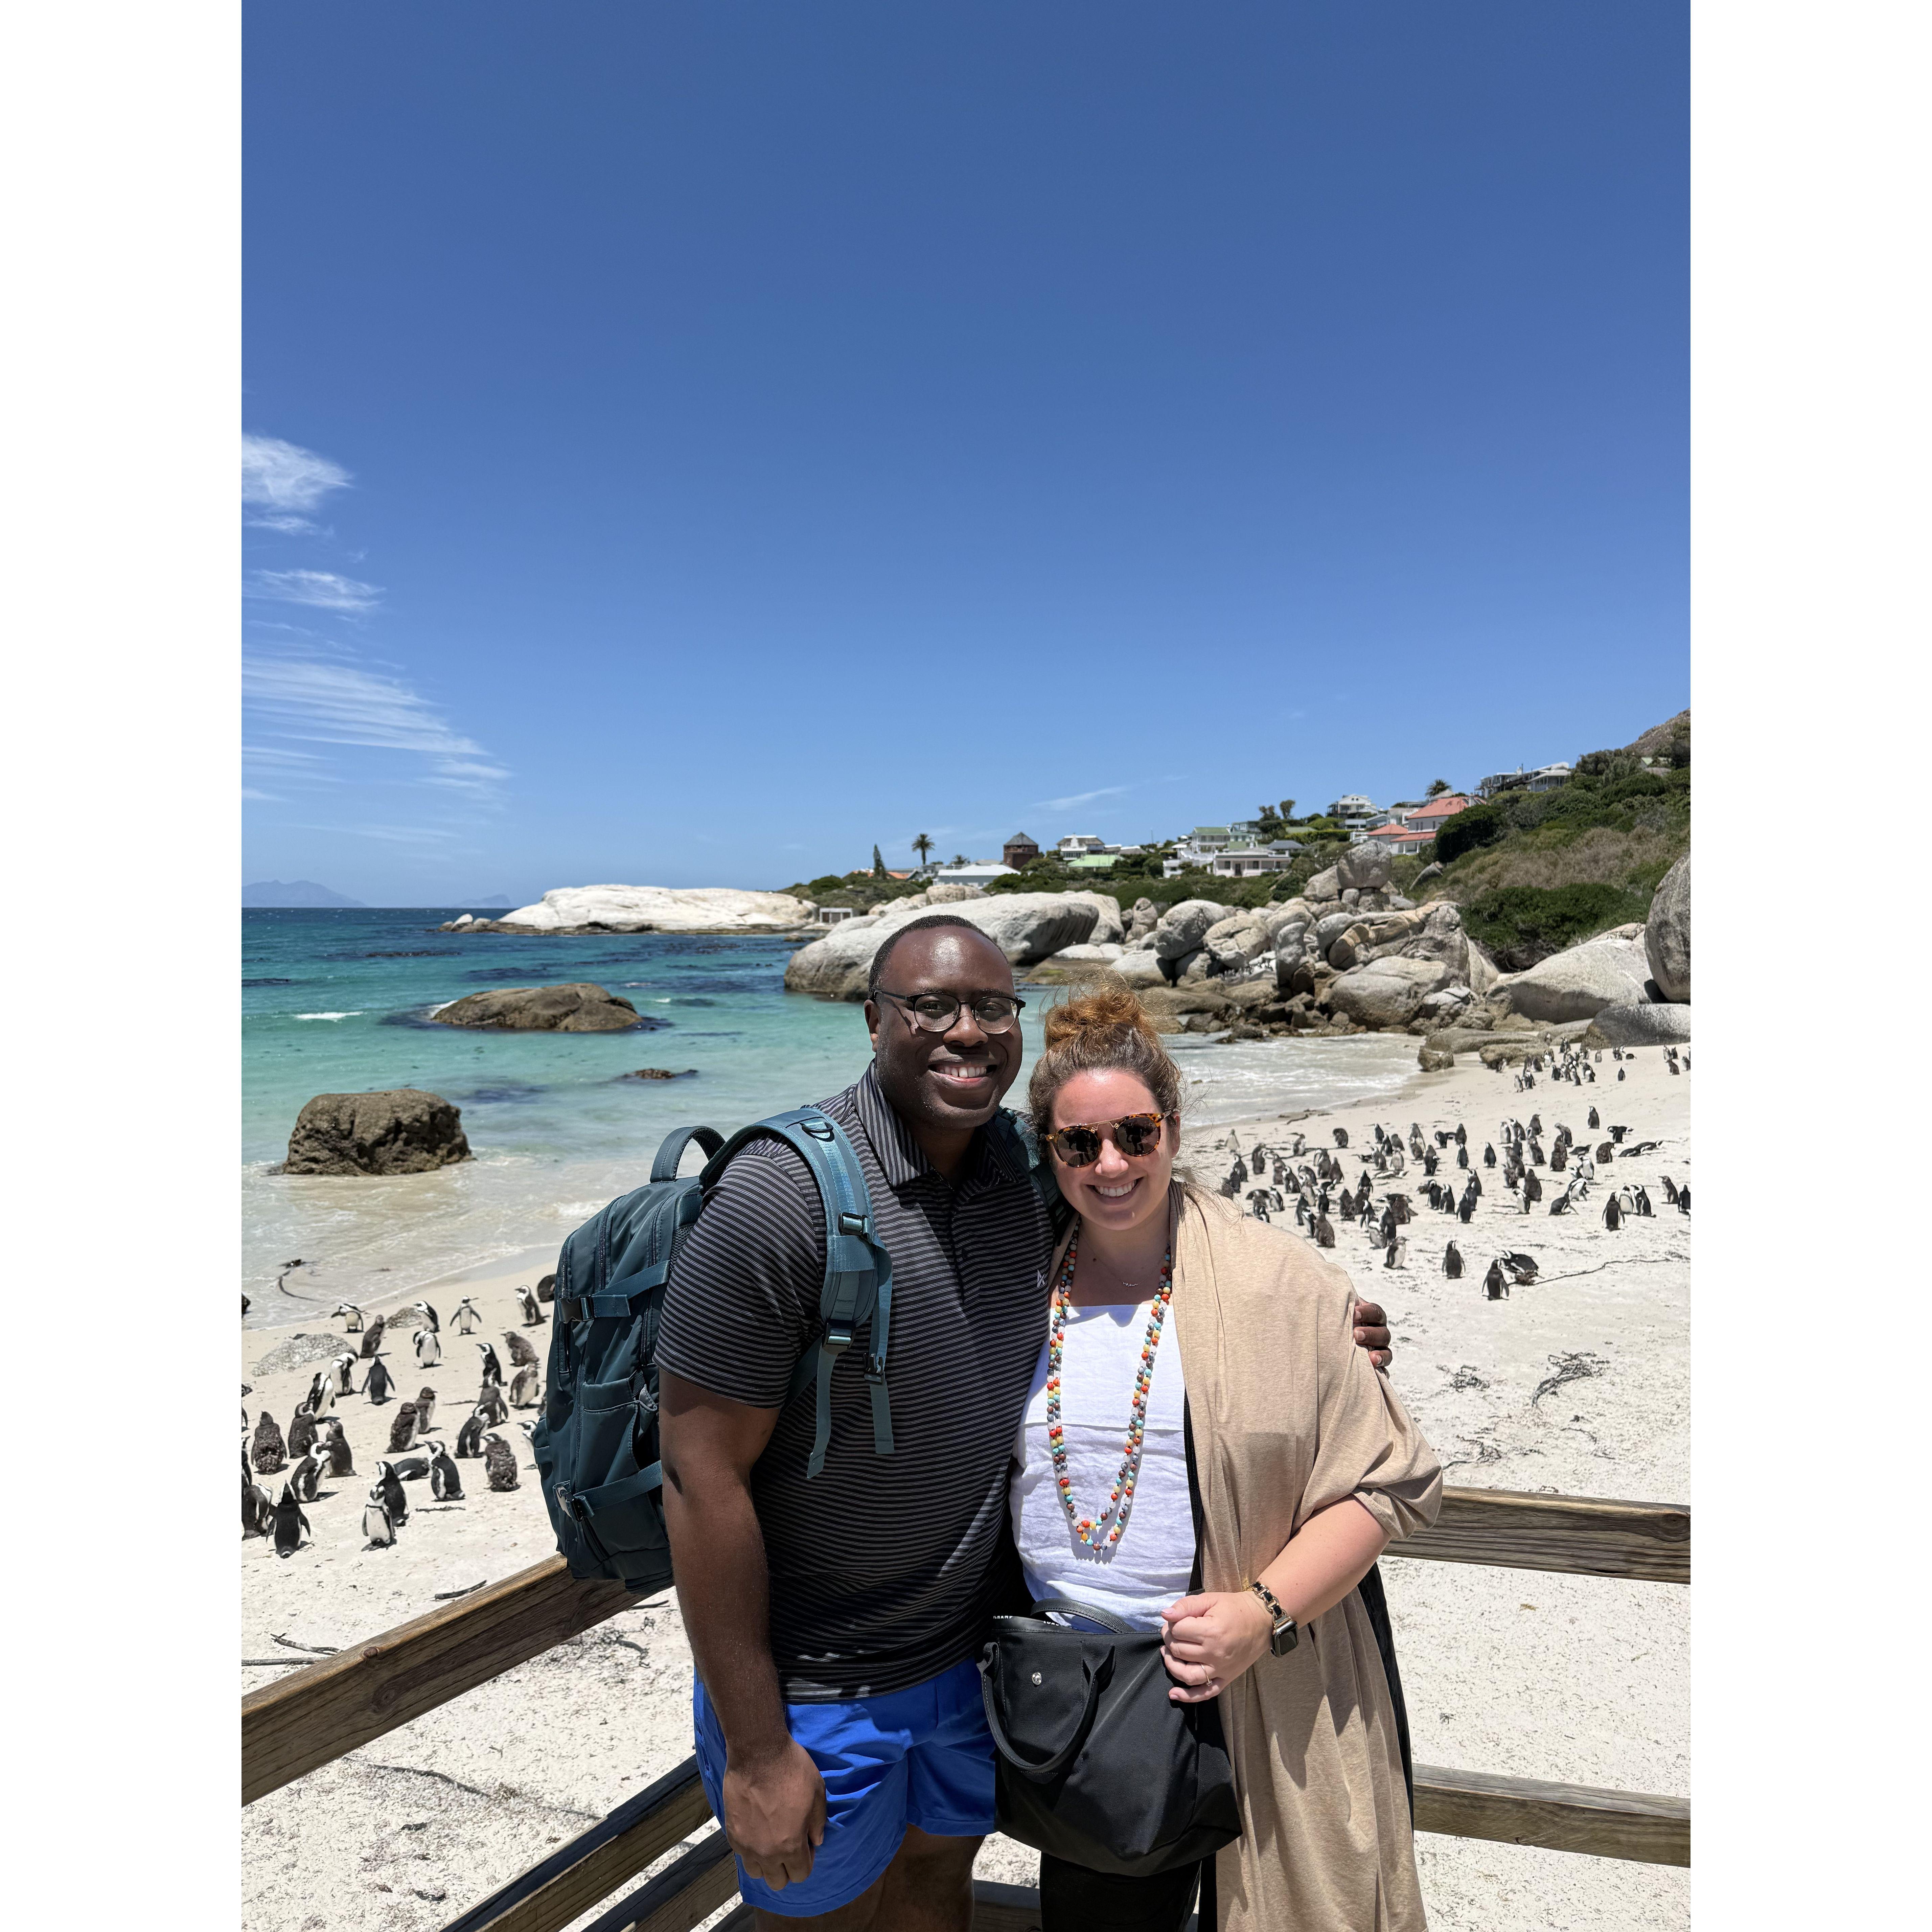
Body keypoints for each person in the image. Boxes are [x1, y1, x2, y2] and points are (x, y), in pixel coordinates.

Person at [657, 916, 1397, 1930]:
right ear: (873, 1020)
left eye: (993, 1007)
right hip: (818, 1692)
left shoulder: (1017, 1174)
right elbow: (699, 1475)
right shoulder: (781, 1198)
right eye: (931, 1005)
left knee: (933, 1899)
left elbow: (1155, 1234)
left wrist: (1323, 1324)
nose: (967, 1030)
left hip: (970, 1669)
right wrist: (755, 1750)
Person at [1011, 982, 1440, 1932]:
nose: (1110, 1163)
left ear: (1172, 1126)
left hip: (1269, 1679)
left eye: (1136, 1133)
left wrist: (1262, 1611)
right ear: (1048, 1150)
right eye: (1079, 1144)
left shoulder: (1280, 1282)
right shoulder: (1013, 1278)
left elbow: (1392, 1483)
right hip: (1090, 1701)